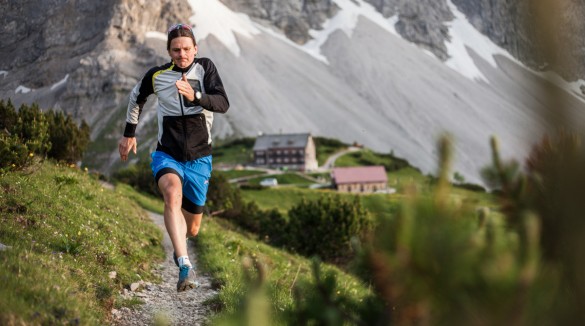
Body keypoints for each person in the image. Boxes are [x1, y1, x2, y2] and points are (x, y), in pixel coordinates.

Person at [118, 23, 229, 292]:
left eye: (187, 49)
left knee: (192, 229)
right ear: (169, 51)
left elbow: (223, 103)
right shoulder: (157, 76)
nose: (182, 54)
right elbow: (136, 98)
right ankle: (184, 264)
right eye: (176, 50)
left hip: (200, 157)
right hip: (167, 152)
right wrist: (129, 134)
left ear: (195, 49)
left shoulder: (205, 68)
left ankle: (182, 242)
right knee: (171, 194)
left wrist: (196, 95)